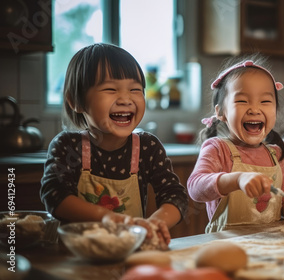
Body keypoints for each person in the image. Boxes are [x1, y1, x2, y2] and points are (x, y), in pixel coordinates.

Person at [40, 43, 188, 247]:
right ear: (76, 101)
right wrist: (106, 217)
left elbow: (176, 196)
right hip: (75, 257)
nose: (126, 99)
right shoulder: (68, 146)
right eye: (110, 89)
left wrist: (153, 224)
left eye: (135, 89)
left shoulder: (147, 147)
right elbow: (55, 195)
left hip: (129, 252)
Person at [187, 55, 284, 233]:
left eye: (265, 101)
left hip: (269, 244)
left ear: (275, 110)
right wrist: (236, 179)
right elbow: (195, 187)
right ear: (221, 112)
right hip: (228, 246)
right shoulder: (217, 148)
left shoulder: (273, 153)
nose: (254, 109)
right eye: (242, 101)